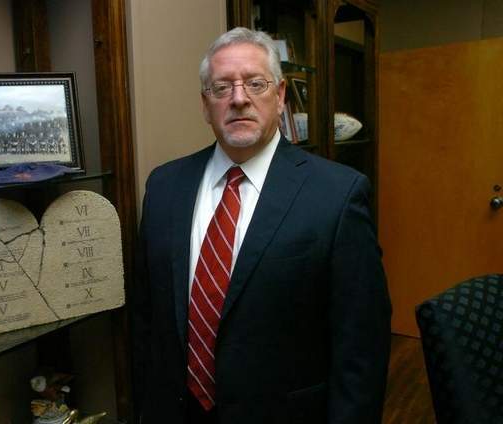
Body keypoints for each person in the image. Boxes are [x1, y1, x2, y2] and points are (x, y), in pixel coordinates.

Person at [132, 27, 391, 424]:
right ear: (205, 104)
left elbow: (362, 346)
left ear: (280, 94)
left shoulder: (337, 194)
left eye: (255, 83)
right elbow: (146, 320)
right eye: (221, 88)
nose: (239, 99)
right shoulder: (164, 186)